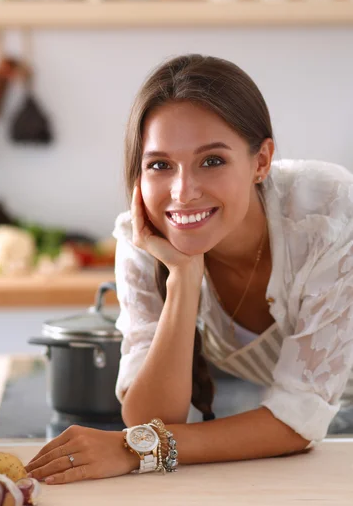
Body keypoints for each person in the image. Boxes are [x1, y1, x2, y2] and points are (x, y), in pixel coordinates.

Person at [25, 54, 353, 484]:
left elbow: (297, 419)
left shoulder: (329, 213)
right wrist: (183, 276)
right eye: (160, 165)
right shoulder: (144, 239)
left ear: (261, 161)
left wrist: (133, 450)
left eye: (212, 160)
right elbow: (151, 417)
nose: (183, 192)